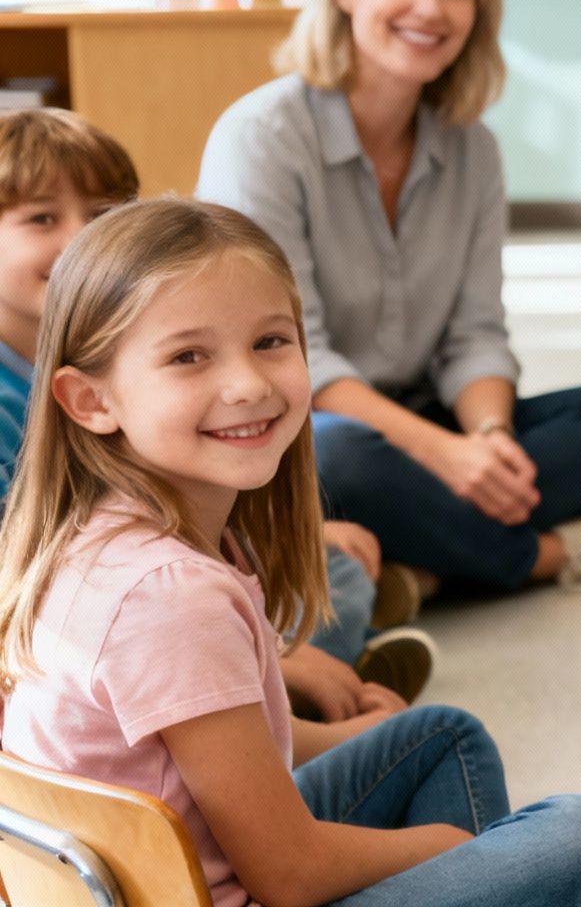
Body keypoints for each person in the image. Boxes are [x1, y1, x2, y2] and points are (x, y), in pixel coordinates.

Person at [0, 199, 581, 907]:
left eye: (270, 342)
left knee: (440, 736)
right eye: (188, 356)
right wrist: (459, 851)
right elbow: (290, 874)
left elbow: (205, 752)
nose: (249, 384)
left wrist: (352, 739)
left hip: (194, 870)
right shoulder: (170, 595)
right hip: (255, 890)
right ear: (88, 399)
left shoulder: (99, 537)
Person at [198, 0, 581, 594]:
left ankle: (422, 566)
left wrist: (488, 440)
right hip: (311, 427)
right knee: (341, 463)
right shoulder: (261, 137)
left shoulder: (473, 149)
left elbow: (476, 333)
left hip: (430, 416)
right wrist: (443, 455)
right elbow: (290, 354)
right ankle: (537, 557)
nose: (431, 8)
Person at [0, 109, 433, 716]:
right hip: (78, 634)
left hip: (167, 593)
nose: (78, 236)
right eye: (43, 218)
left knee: (330, 566)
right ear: (87, 401)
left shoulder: (136, 370)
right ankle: (308, 681)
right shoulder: (152, 583)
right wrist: (276, 652)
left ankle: (313, 672)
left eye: (102, 216)